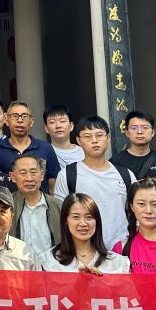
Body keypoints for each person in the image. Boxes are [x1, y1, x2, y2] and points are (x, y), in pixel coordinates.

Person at [54, 116, 135, 249]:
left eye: (99, 135)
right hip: (83, 248)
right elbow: (61, 216)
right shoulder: (67, 175)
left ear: (108, 138)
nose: (94, 140)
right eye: (87, 136)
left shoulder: (126, 174)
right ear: (78, 140)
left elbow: (136, 212)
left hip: (122, 248)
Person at [38, 192, 131, 275]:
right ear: (65, 220)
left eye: (89, 217)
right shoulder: (48, 261)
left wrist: (101, 282)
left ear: (97, 221)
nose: (83, 223)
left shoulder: (118, 263)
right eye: (76, 217)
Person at [0, 100, 60, 194]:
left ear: (31, 121)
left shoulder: (45, 148)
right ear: (6, 120)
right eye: (15, 116)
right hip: (8, 202)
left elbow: (53, 183)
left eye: (24, 116)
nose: (20, 120)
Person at [9, 155, 61, 259]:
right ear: (13, 177)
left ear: (42, 175)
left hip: (53, 265)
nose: (29, 178)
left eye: (33, 172)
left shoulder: (59, 206)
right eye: (23, 173)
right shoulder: (6, 206)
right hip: (17, 265)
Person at [111, 110, 156, 181]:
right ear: (127, 133)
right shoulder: (115, 162)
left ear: (153, 132)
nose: (139, 132)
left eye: (145, 127)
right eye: (134, 128)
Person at [43, 105, 83, 170]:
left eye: (62, 121)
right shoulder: (43, 153)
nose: (58, 126)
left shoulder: (85, 152)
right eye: (52, 122)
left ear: (71, 126)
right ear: (46, 128)